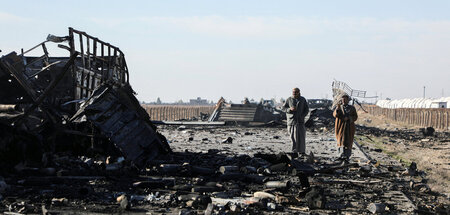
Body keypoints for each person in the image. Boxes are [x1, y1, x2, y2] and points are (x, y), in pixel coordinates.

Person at [282, 88, 309, 154]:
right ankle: (294, 152)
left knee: (301, 138)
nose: (294, 93)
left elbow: (306, 110)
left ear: (299, 92)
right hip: (291, 122)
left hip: (300, 122)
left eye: (296, 92)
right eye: (293, 92)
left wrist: (302, 116)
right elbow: (283, 108)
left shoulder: (302, 99)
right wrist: (289, 109)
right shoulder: (289, 99)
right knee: (293, 138)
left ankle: (302, 152)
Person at [333, 94, 358, 162]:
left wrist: (349, 118)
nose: (343, 100)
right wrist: (337, 109)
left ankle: (347, 156)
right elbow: (335, 115)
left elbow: (355, 117)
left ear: (348, 100)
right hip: (340, 127)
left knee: (348, 141)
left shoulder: (352, 108)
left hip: (349, 127)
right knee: (340, 141)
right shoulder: (339, 107)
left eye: (345, 99)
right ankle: (340, 155)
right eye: (342, 99)